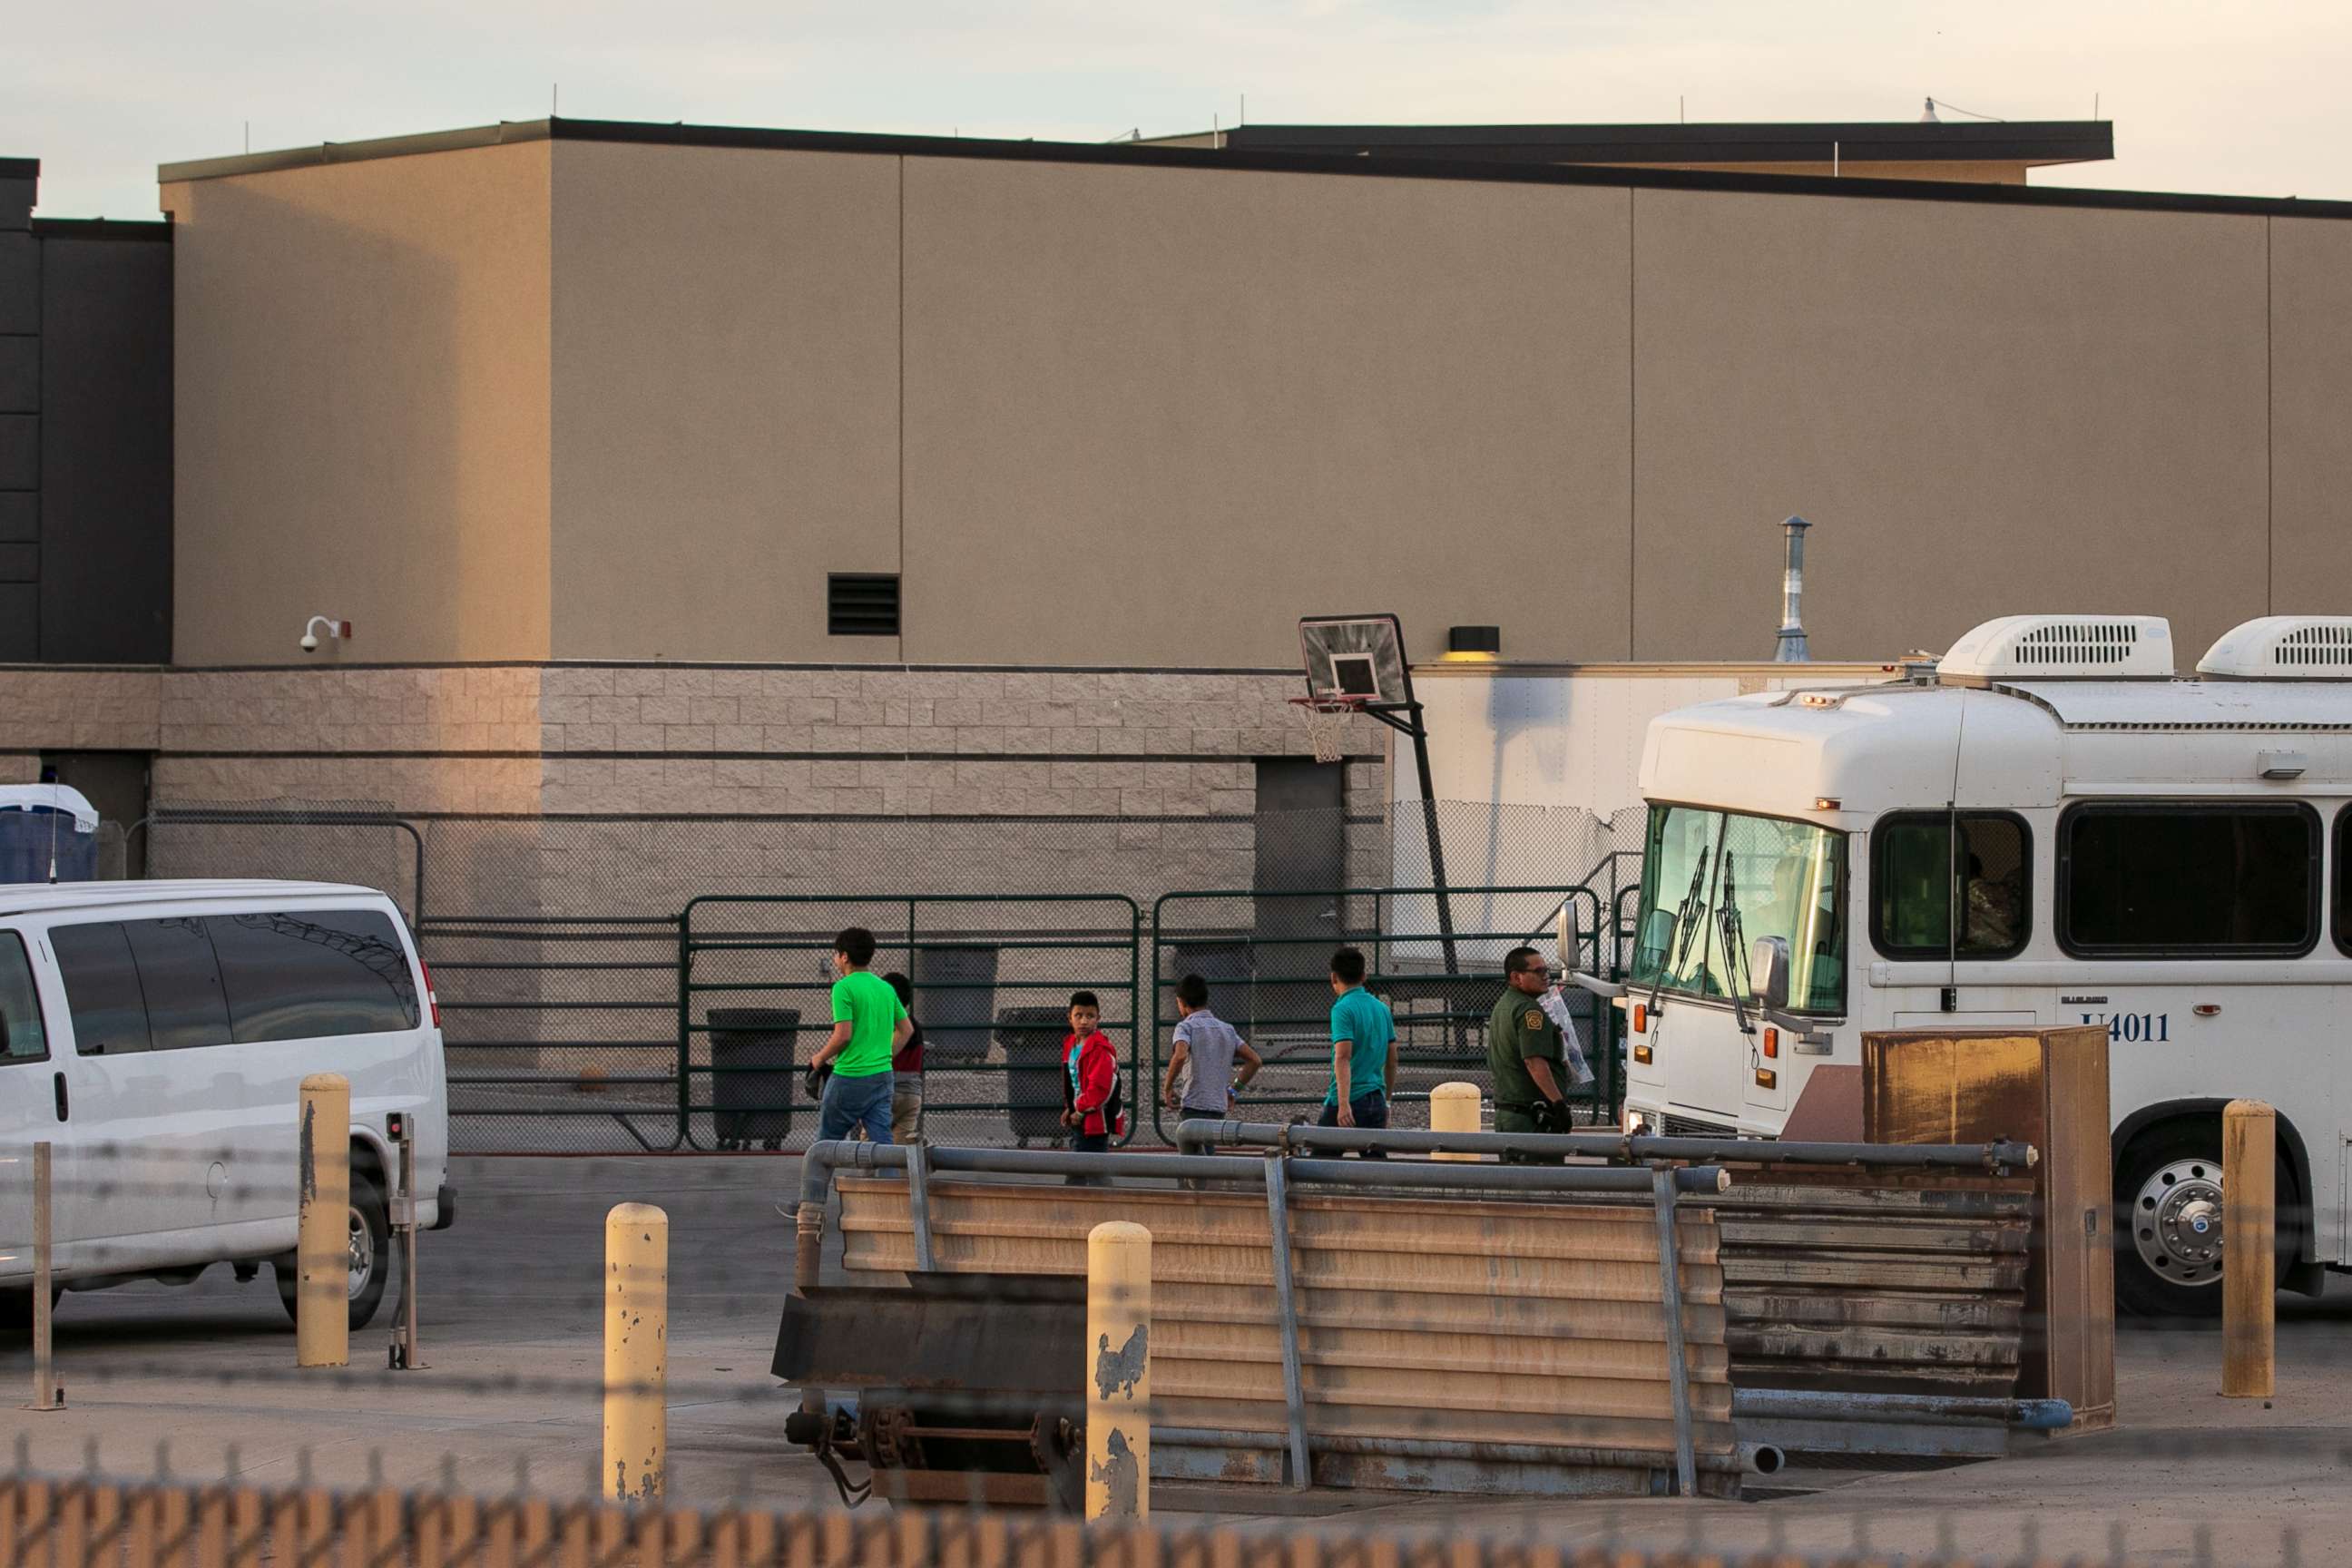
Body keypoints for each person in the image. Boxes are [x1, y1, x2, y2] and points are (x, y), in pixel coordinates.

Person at [811, 926, 911, 1145]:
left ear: (844, 957)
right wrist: (884, 1055)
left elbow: (843, 1035)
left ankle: (815, 1181)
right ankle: (890, 1180)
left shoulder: (843, 988)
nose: (835, 958)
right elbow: (907, 1030)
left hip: (849, 1076)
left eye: (836, 953)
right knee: (884, 1147)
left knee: (824, 1147)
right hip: (882, 1076)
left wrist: (819, 1058)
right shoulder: (886, 988)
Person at [1162, 974, 1262, 1180]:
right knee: (1209, 1164)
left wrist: (1168, 1087)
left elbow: (1180, 1054)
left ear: (1181, 1003)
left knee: (1191, 1170)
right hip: (1217, 1107)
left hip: (1193, 1107)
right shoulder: (1227, 1030)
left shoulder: (1185, 1027)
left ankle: (1194, 1205)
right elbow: (1254, 1060)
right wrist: (1233, 1090)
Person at [1488, 946, 1572, 1164]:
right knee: (1542, 1189)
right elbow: (1534, 1062)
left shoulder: (1504, 1005)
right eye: (1538, 971)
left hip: (1512, 1115)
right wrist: (1558, 1104)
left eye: (1547, 970)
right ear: (1517, 977)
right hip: (1532, 1118)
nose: (1546, 976)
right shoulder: (1529, 1011)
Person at [1319, 947, 1396, 1157]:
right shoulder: (1382, 1009)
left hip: (1348, 1099)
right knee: (1376, 1168)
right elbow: (1392, 1061)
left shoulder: (1342, 1009)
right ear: (1364, 976)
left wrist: (1343, 1104)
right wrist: (1386, 1101)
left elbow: (1343, 1056)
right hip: (1376, 1098)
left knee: (1317, 1166)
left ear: (1333, 977)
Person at [1060, 990, 1122, 1183]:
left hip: (1095, 1119)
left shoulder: (1100, 1049)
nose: (1084, 1021)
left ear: (1098, 1018)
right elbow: (1072, 1080)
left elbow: (1100, 1089)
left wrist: (1080, 1110)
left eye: (1090, 1016)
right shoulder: (1071, 1044)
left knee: (1088, 1169)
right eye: (1078, 1015)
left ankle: (1092, 1206)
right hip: (1081, 1116)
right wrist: (1070, 1108)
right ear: (1070, 1018)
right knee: (1083, 1167)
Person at [882, 971, 925, 1144]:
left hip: (886, 1092)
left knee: (869, 1150)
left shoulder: (885, 1024)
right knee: (901, 1153)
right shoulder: (915, 1025)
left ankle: (868, 1172)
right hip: (912, 1094)